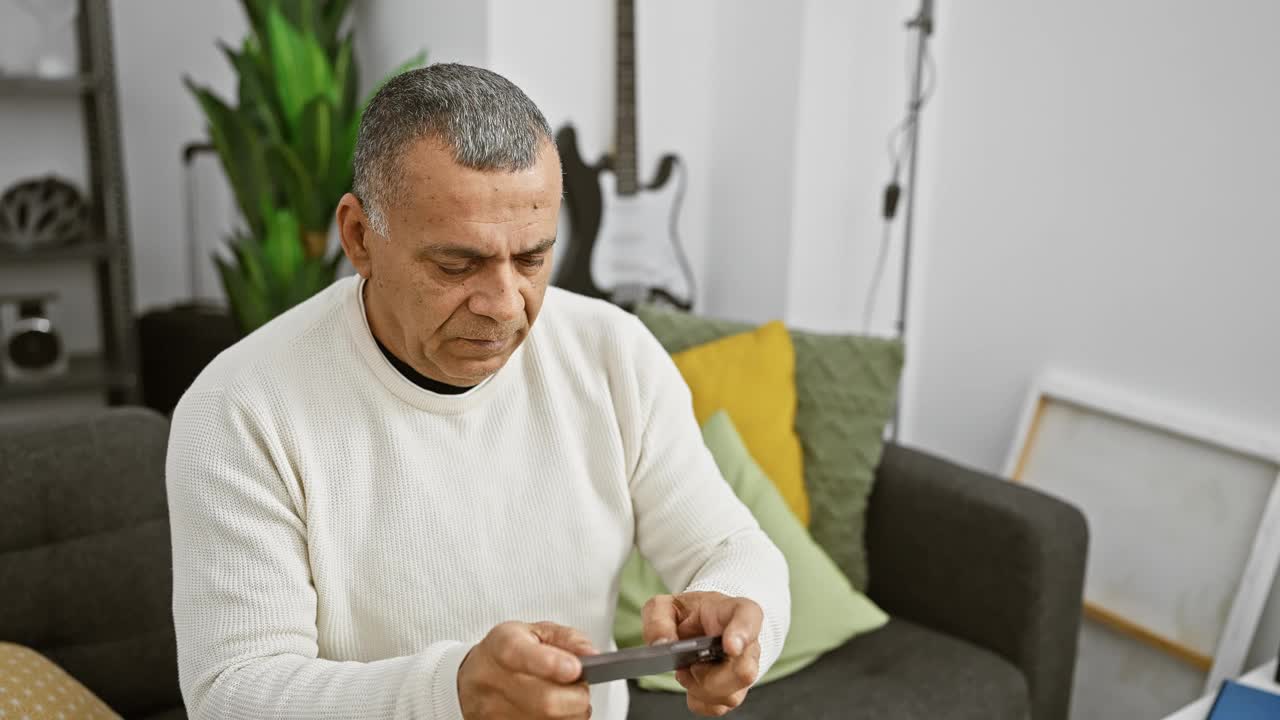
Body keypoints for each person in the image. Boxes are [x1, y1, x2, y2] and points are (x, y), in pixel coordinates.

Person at [166, 63, 789, 720]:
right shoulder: (240, 409)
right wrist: (452, 694)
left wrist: (740, 621)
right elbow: (232, 693)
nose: (502, 304)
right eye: (456, 264)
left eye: (531, 259)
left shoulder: (614, 353)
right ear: (359, 237)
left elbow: (731, 549)